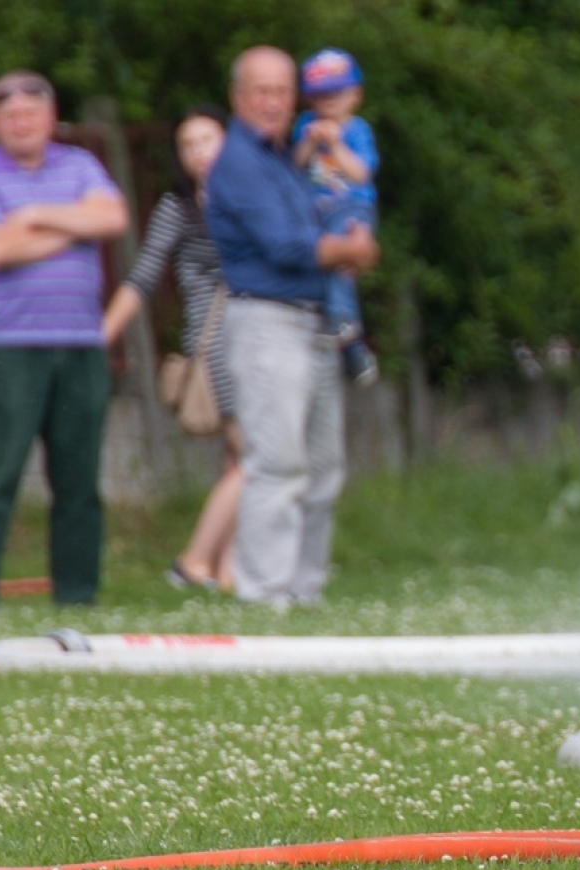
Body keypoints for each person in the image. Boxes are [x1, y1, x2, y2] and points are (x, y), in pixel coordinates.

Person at [205, 45, 379, 609]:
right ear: (238, 97)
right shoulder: (238, 161)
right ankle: (265, 594)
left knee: (324, 467)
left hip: (315, 322)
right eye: (262, 91)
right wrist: (352, 250)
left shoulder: (288, 156)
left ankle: (306, 592)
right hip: (267, 322)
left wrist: (349, 248)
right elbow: (285, 245)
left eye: (283, 91)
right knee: (277, 463)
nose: (274, 102)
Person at [0, 70, 130, 610]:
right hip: (8, 347)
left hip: (80, 344)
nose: (22, 122)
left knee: (79, 480)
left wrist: (33, 217)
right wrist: (74, 228)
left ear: (51, 118)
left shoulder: (81, 165)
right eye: (10, 115)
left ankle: (77, 596)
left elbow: (113, 217)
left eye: (32, 112)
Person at [102, 104, 241, 592]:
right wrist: (102, 336)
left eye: (208, 140)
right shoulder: (178, 208)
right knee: (259, 458)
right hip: (217, 344)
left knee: (237, 460)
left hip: (255, 338)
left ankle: (229, 573)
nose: (199, 152)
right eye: (188, 145)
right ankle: (194, 561)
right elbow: (141, 277)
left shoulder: (251, 194)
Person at [293, 47, 380, 387]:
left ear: (354, 96)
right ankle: (351, 344)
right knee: (320, 262)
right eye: (320, 95)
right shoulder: (305, 125)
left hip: (350, 208)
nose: (328, 101)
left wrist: (335, 144)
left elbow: (360, 173)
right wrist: (310, 142)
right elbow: (296, 165)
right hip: (315, 210)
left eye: (336, 94)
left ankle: (343, 322)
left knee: (341, 263)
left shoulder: (358, 130)